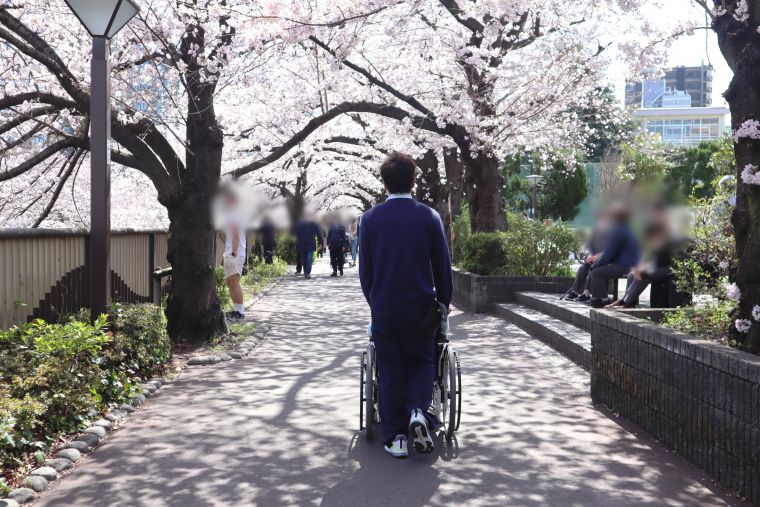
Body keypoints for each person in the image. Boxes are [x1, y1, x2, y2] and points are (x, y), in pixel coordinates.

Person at [359, 152, 453, 459]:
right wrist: (443, 303)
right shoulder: (429, 217)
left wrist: (376, 300)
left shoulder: (370, 219)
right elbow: (442, 266)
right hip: (421, 307)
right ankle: (418, 413)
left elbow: (366, 273)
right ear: (414, 181)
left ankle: (396, 437)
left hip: (385, 305)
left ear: (384, 183)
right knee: (422, 362)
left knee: (389, 367)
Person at [586, 205, 640, 308]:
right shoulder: (627, 228)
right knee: (598, 270)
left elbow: (609, 253)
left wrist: (597, 265)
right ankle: (598, 298)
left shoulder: (618, 231)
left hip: (624, 266)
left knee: (596, 273)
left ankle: (602, 300)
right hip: (629, 264)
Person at [562, 210, 611, 301]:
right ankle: (575, 292)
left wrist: (596, 258)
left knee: (594, 267)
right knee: (583, 267)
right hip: (595, 260)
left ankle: (586, 293)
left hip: (606, 262)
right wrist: (587, 257)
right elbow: (588, 249)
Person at [216, 185, 247, 321]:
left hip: (236, 253)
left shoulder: (234, 214)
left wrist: (233, 253)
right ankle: (236, 309)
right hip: (231, 252)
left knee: (234, 283)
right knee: (230, 283)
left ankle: (240, 312)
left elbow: (235, 235)